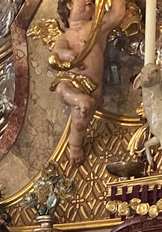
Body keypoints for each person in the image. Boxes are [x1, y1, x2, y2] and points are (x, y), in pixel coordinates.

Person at [50, 0, 128, 166]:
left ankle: (75, 145)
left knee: (79, 123)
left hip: (91, 85)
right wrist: (67, 54)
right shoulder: (65, 36)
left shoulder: (95, 27)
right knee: (61, 88)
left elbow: (117, 14)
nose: (90, 1)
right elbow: (57, 52)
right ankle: (78, 100)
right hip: (71, 81)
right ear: (69, 5)